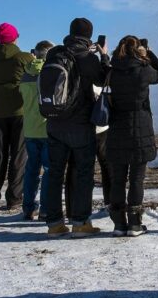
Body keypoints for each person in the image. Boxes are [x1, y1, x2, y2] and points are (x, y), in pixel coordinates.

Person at [43, 17, 110, 238]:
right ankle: (80, 222)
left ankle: (54, 223)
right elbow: (103, 79)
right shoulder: (86, 57)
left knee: (54, 173)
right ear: (90, 35)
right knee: (83, 173)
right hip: (80, 124)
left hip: (54, 122)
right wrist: (103, 56)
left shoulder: (55, 54)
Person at [105, 35, 158, 236]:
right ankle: (135, 224)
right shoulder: (143, 70)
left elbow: (100, 79)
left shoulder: (111, 71)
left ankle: (119, 225)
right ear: (137, 50)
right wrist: (148, 53)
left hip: (116, 127)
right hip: (140, 127)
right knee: (137, 179)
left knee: (118, 179)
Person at [0, 22, 32, 212]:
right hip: (20, 111)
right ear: (15, 37)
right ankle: (14, 198)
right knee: (18, 156)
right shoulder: (23, 58)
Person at [20, 41, 53, 221]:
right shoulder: (48, 73)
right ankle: (45, 209)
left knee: (32, 169)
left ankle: (28, 208)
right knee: (48, 170)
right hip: (47, 127)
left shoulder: (25, 75)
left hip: (30, 128)